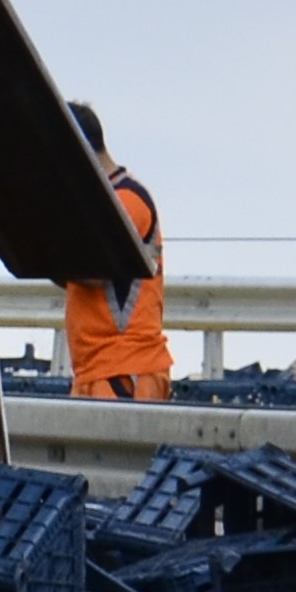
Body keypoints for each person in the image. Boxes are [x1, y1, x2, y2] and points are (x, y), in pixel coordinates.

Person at [59, 101, 172, 403]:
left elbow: (94, 271)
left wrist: (42, 243)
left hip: (125, 370)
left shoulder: (127, 201)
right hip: (100, 370)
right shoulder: (100, 202)